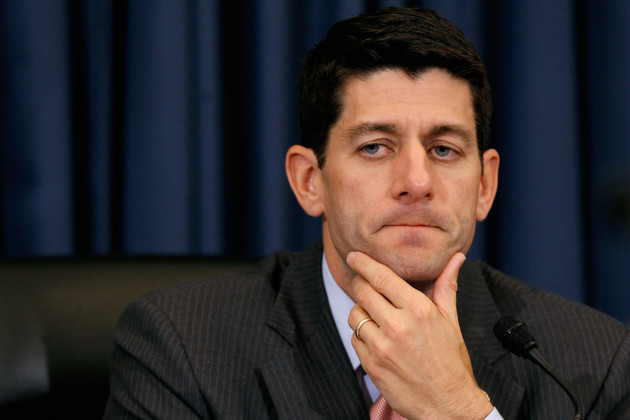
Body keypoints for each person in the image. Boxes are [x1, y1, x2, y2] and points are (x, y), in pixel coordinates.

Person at [104, 7, 630, 419]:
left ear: (485, 185)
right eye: (376, 147)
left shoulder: (593, 361)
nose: (417, 183)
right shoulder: (183, 348)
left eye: (444, 149)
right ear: (310, 182)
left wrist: (457, 411)